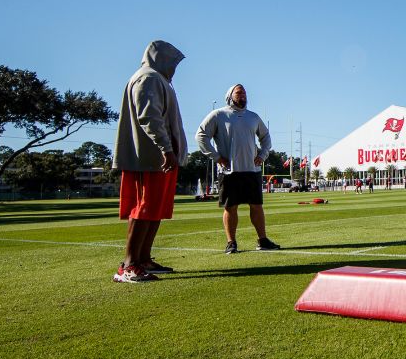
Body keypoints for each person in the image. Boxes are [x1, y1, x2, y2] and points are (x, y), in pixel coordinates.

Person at [111, 40, 187, 283]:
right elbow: (149, 117)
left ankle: (143, 258)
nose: (174, 69)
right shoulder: (148, 78)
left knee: (154, 209)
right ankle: (129, 264)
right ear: (161, 58)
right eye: (173, 63)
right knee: (143, 209)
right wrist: (166, 148)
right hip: (149, 158)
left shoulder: (159, 79)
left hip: (160, 159)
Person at [196, 84, 280, 254]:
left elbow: (266, 137)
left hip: (252, 170)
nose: (242, 95)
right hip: (229, 171)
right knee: (230, 207)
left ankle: (262, 240)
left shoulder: (253, 117)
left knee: (256, 206)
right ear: (230, 95)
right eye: (238, 92)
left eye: (244, 93)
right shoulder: (219, 115)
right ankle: (231, 242)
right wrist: (217, 157)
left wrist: (262, 156)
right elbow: (201, 136)